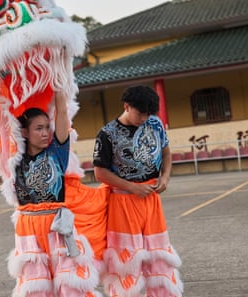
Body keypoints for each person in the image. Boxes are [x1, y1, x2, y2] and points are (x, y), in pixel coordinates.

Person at [7, 91, 102, 297]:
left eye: (46, 128)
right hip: (28, 228)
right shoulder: (14, 159)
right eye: (38, 128)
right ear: (24, 132)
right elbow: (0, 122)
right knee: (36, 287)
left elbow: (62, 112)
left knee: (70, 284)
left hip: (57, 225)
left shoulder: (57, 153)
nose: (44, 133)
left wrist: (59, 83)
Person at [93, 85, 183, 297]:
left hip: (151, 200)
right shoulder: (107, 134)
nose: (144, 118)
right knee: (126, 260)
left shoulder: (155, 123)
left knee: (158, 254)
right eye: (140, 113)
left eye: (148, 114)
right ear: (126, 106)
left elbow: (166, 153)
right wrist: (132, 187)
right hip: (123, 202)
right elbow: (100, 173)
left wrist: (165, 177)